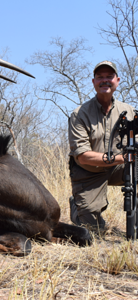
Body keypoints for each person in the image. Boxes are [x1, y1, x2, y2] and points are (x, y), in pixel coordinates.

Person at [68, 60, 136, 230]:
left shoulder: (129, 111)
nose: (105, 80)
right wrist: (122, 158)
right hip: (89, 172)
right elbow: (83, 157)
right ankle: (78, 207)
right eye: (100, 77)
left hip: (119, 168)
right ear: (94, 82)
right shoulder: (79, 114)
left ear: (117, 81)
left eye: (109, 77)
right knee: (93, 231)